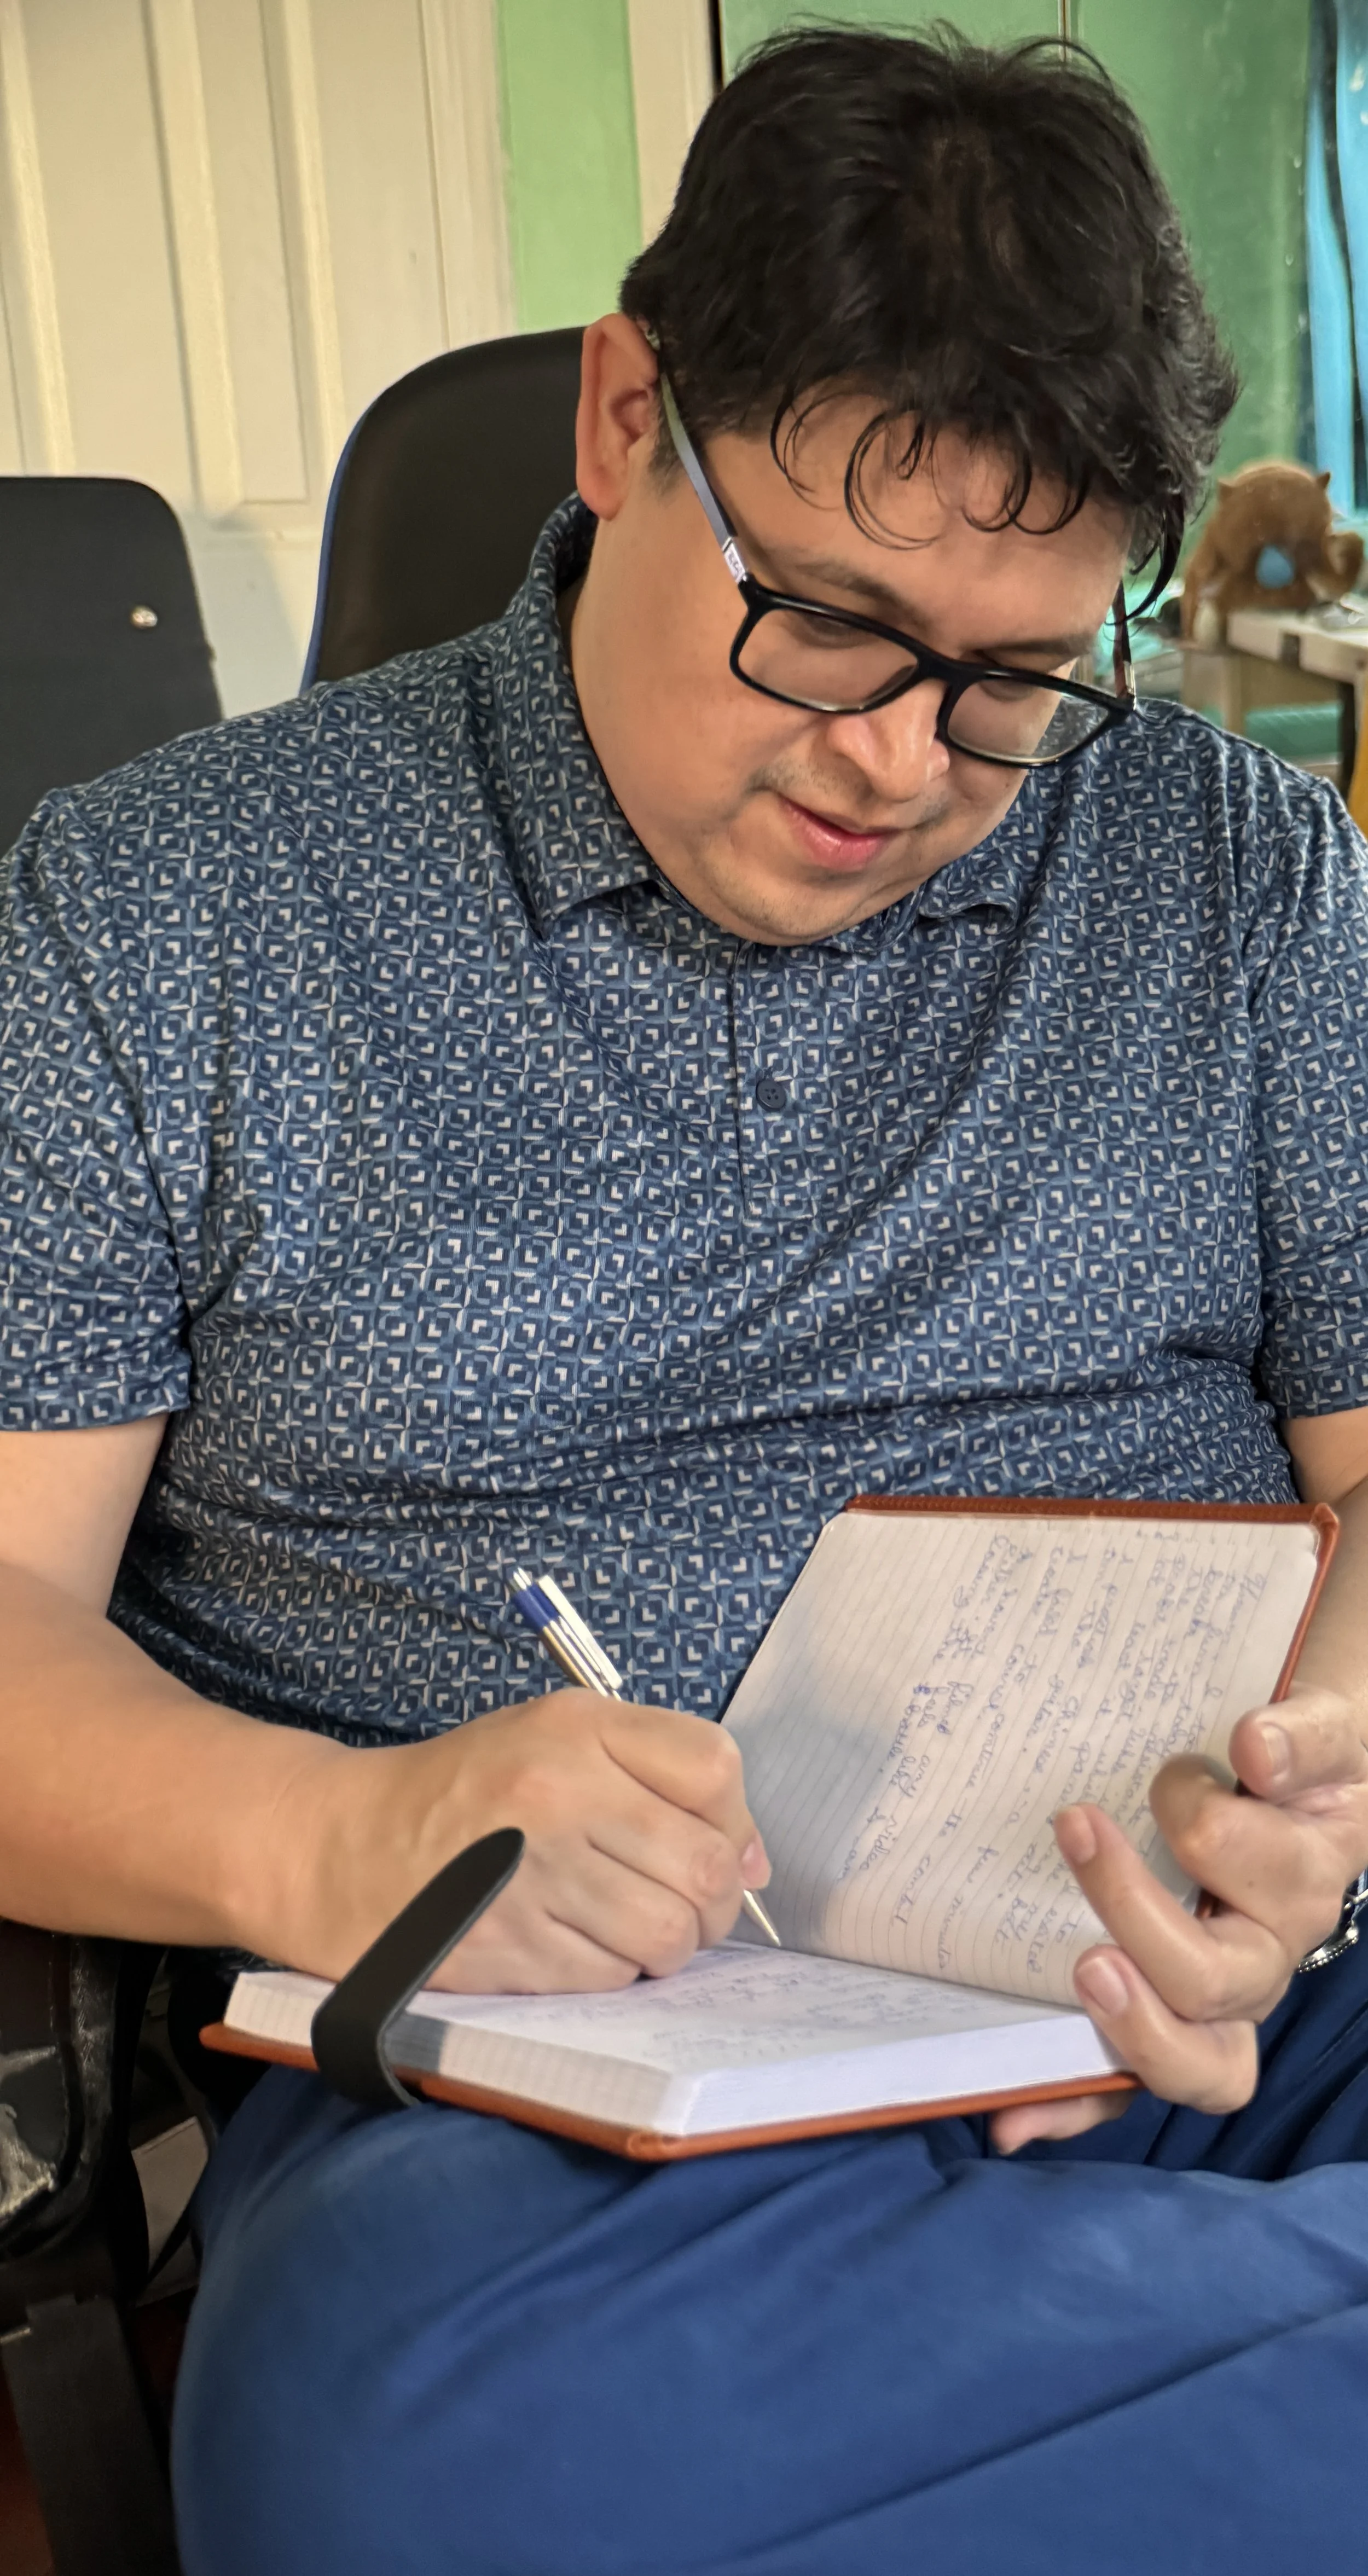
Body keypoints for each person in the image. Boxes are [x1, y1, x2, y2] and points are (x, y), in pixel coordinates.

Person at [2, 26, 1368, 2573]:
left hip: (1217, 2009)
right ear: (630, 415)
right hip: (547, 2118)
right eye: (832, 627)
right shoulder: (164, 914)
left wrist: (1300, 1791)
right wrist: (351, 1829)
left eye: (1017, 680)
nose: (903, 765)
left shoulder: (1231, 875)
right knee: (392, 2465)